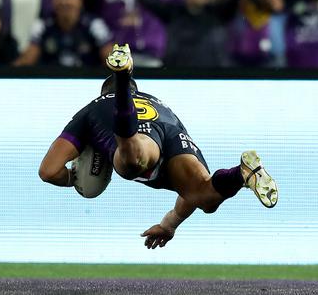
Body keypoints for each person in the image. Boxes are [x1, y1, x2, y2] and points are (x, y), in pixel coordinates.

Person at [39, 44, 278, 248]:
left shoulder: (92, 109)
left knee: (131, 161)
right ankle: (243, 173)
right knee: (205, 198)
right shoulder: (158, 101)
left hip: (140, 141)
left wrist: (74, 177)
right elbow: (188, 196)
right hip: (172, 132)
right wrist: (168, 225)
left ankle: (121, 77)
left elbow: (48, 170)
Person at [15, 0, 113, 67]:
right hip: (51, 83)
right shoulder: (42, 26)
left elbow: (112, 61)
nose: (63, 1)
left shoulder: (94, 26)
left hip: (86, 82)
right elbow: (26, 61)